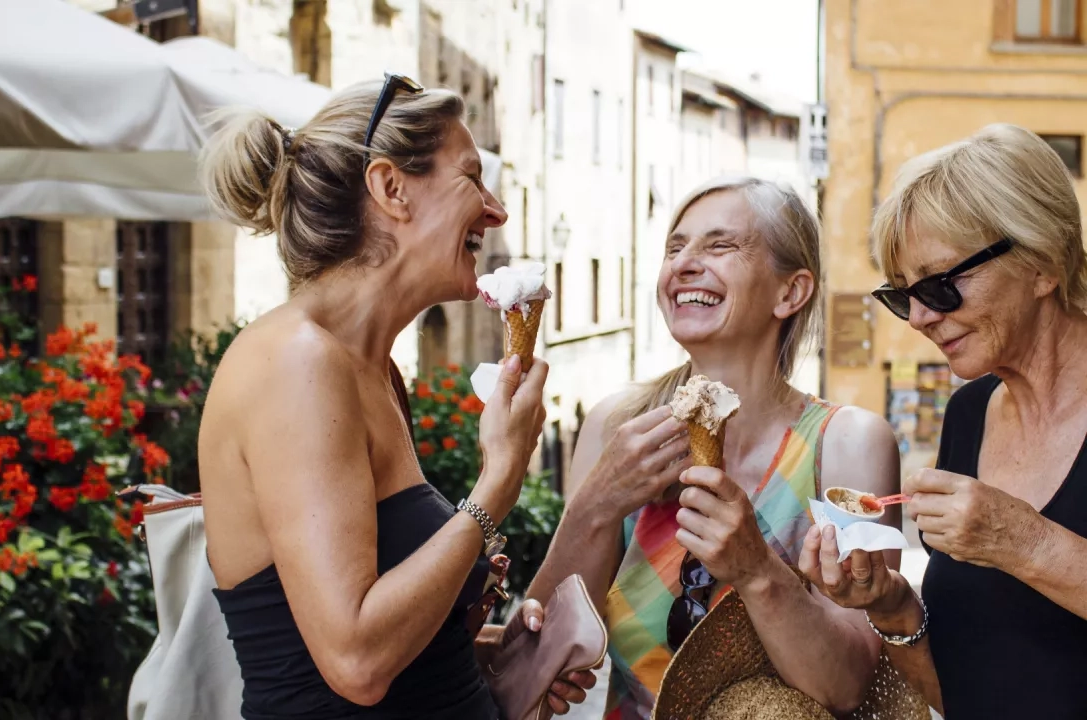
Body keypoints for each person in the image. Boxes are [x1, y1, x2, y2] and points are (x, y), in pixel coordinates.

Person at [194, 74, 594, 720]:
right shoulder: (296, 363)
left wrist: (478, 656)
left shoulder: (373, 370)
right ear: (390, 188)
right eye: (471, 177)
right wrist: (499, 480)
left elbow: (376, 634)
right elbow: (356, 660)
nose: (495, 211)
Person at [525, 176, 903, 719]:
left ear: (790, 292)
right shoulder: (617, 425)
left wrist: (756, 569)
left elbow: (845, 687)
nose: (683, 264)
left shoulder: (844, 444)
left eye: (719, 246)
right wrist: (597, 504)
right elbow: (547, 647)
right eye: (674, 248)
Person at [801, 123, 1087, 719]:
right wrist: (889, 605)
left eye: (940, 285)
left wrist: (1025, 542)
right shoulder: (968, 413)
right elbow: (961, 691)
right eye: (903, 295)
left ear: (1042, 263)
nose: (920, 318)